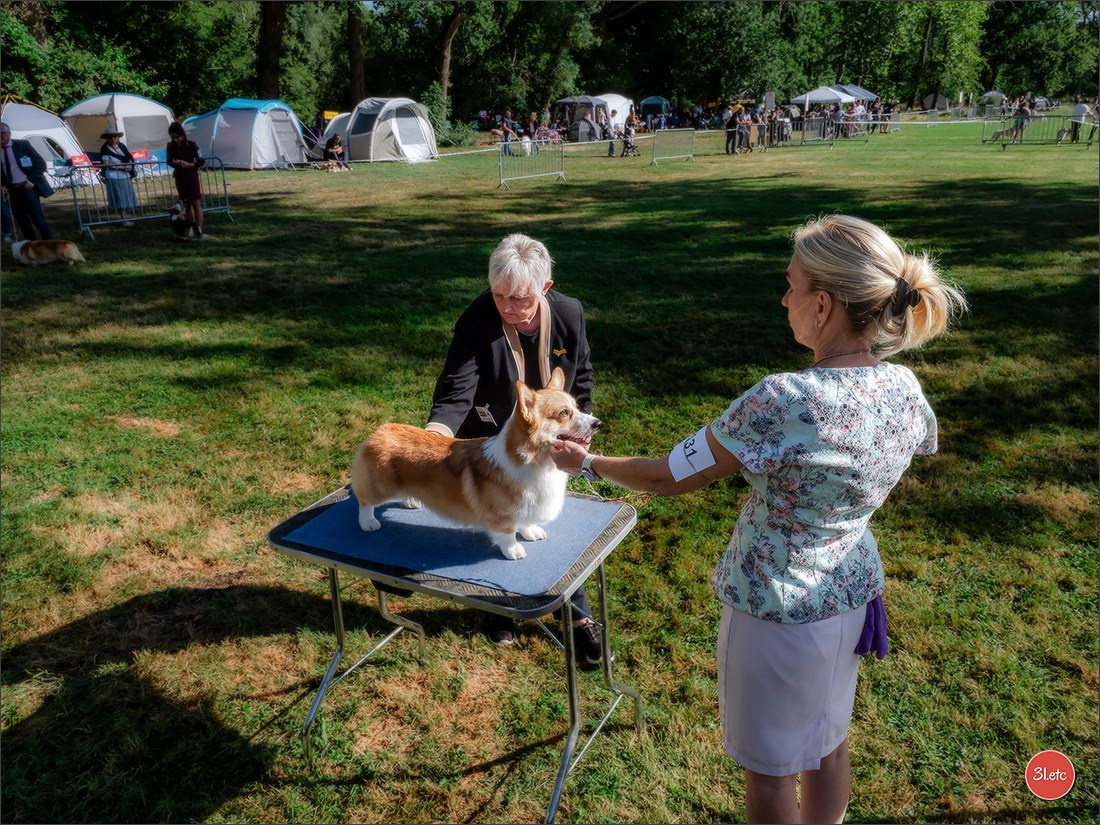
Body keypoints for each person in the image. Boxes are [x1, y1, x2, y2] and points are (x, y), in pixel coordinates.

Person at [550, 215, 967, 823]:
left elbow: (668, 476)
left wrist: (587, 464)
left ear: (822, 305)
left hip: (775, 613)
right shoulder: (904, 386)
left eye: (791, 286)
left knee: (771, 771)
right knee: (828, 742)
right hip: (849, 593)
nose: (783, 298)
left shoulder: (785, 400)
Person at [425, 233, 606, 664]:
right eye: (498, 294)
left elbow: (580, 375)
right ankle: (497, 606)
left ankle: (577, 614)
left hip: (553, 434)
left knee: (547, 519)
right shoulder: (477, 319)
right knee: (498, 515)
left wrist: (579, 428)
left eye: (519, 297)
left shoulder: (569, 313)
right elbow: (456, 388)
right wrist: (433, 437)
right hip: (490, 436)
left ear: (545, 288)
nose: (506, 306)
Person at [0, 121, 54, 240]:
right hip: (11, 191)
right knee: (22, 222)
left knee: (38, 219)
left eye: (2, 134)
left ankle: (50, 244)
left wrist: (31, 181)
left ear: (9, 133)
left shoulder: (22, 145)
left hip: (27, 188)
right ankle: (31, 246)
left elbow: (40, 163)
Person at [166, 121, 206, 238]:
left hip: (191, 176)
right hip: (180, 177)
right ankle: (189, 229)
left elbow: (201, 161)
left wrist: (189, 164)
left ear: (182, 134)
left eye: (177, 137)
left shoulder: (192, 145)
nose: (176, 140)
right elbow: (168, 161)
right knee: (187, 205)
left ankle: (198, 229)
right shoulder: (170, 146)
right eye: (173, 138)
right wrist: (175, 163)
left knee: (196, 203)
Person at [98, 129, 138, 227]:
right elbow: (106, 164)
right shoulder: (105, 148)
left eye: (115, 136)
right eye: (110, 137)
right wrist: (122, 167)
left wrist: (129, 165)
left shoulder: (122, 146)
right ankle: (123, 219)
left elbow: (129, 157)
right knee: (119, 198)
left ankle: (126, 217)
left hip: (125, 176)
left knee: (126, 196)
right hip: (113, 177)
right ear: (107, 138)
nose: (113, 139)